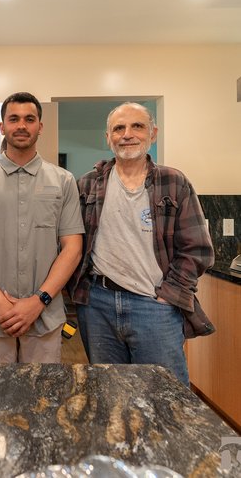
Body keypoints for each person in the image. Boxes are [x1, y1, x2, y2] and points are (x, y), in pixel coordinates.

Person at [68, 102, 214, 386]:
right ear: (107, 137)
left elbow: (197, 250)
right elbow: (72, 245)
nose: (127, 134)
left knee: (166, 397)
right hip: (97, 306)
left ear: (153, 133)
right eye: (118, 128)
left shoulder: (174, 182)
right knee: (109, 394)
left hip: (155, 307)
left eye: (137, 126)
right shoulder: (87, 184)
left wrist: (168, 295)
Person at [0, 92, 84, 363]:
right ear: (2, 127)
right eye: (13, 119)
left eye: (29, 119)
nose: (22, 125)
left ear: (40, 126)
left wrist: (38, 301)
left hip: (45, 319)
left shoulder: (64, 180)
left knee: (43, 401)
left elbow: (72, 249)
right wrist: (0, 304)